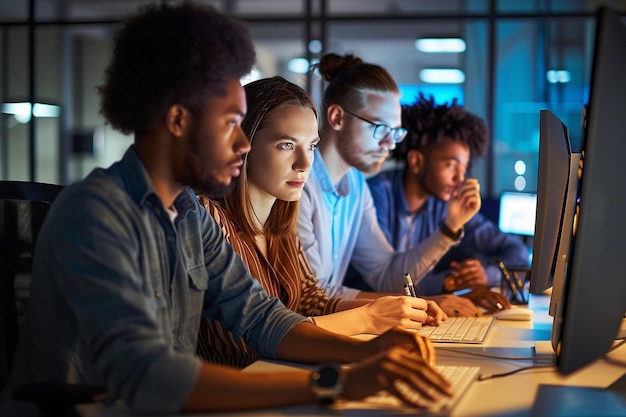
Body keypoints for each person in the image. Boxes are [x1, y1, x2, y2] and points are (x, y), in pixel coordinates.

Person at [0, 3, 453, 416]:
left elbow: (258, 316)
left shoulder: (189, 213)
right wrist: (336, 382)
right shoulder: (96, 213)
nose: (242, 143)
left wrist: (369, 353)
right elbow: (148, 375)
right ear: (178, 121)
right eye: (232, 124)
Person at [195, 76, 446, 368]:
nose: (304, 163)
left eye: (312, 146)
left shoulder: (281, 219)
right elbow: (247, 342)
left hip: (282, 378)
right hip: (237, 393)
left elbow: (312, 301)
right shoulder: (208, 218)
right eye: (286, 145)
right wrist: (367, 318)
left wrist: (395, 310)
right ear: (243, 143)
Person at [297, 52, 480, 317]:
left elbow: (385, 274)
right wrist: (420, 303)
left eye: (396, 132)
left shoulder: (356, 185)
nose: (389, 145)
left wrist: (449, 229)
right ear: (337, 117)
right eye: (380, 128)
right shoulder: (298, 182)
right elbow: (313, 295)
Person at [366, 94, 528, 312]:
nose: (460, 179)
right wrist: (445, 283)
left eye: (464, 168)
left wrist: (484, 274)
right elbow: (384, 280)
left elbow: (516, 251)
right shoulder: (375, 197)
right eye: (451, 165)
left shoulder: (445, 205)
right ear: (416, 161)